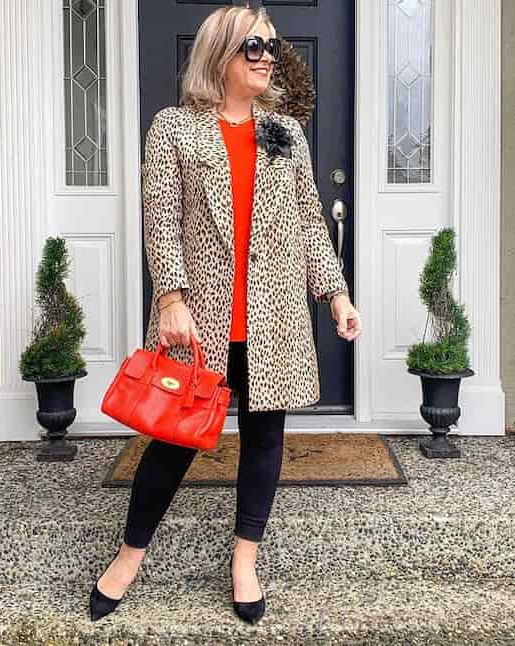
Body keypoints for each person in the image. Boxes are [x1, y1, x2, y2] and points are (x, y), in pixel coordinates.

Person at [89, 4, 362, 625]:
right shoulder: (174, 129)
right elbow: (160, 222)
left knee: (265, 436)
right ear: (221, 54)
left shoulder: (285, 131)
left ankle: (244, 560)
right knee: (171, 441)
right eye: (254, 47)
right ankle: (129, 556)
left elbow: (309, 222)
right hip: (201, 318)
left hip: (276, 315)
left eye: (271, 45)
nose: (268, 56)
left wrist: (337, 294)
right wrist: (170, 299)